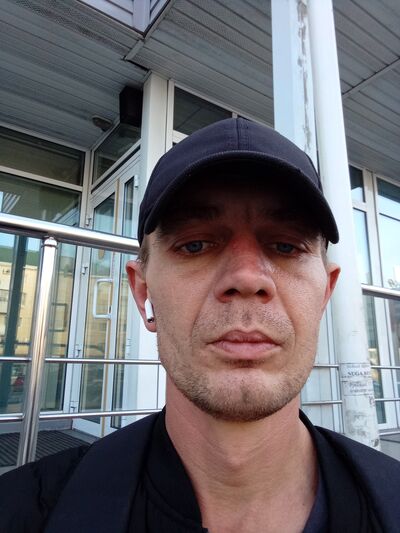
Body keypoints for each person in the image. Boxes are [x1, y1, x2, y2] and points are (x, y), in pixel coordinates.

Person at [0, 118, 399, 532]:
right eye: (194, 244)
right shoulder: (21, 511)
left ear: (324, 294)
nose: (247, 278)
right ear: (143, 292)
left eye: (286, 245)